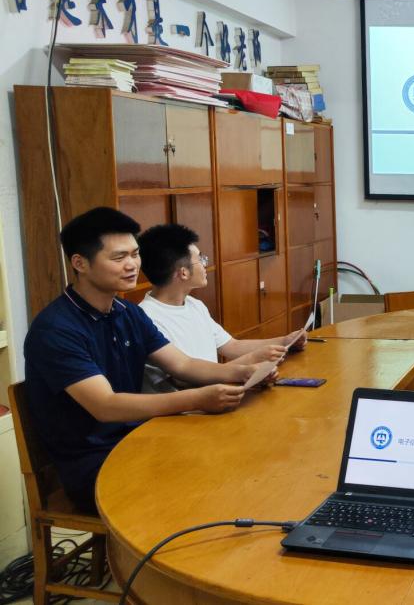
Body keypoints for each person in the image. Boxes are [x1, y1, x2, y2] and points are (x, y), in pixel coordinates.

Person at [23, 208, 270, 512]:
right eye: (119, 257)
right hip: (93, 463)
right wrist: (198, 399)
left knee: (234, 449)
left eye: (135, 254)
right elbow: (106, 406)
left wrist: (243, 372)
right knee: (206, 476)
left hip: (139, 438)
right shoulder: (56, 329)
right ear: (80, 263)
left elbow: (183, 365)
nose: (132, 265)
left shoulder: (127, 313)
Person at [136, 223, 305, 391]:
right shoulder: (147, 318)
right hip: (189, 406)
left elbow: (231, 346)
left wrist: (285, 341)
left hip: (215, 397)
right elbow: (184, 381)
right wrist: (252, 360)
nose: (205, 264)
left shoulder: (195, 305)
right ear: (184, 272)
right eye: (200, 259)